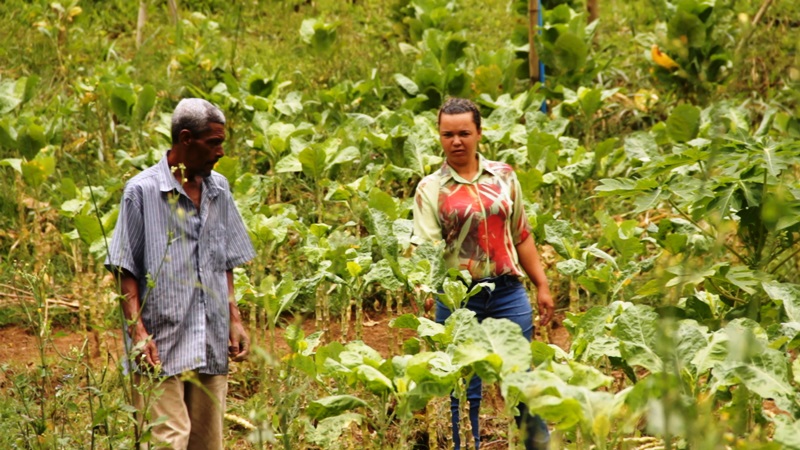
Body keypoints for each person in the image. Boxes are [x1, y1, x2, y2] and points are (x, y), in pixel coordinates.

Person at [105, 98, 256, 450]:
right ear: (185, 139)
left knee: (207, 442)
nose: (220, 152)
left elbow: (225, 260)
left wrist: (234, 317)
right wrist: (138, 333)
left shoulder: (219, 189)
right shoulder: (141, 192)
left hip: (209, 336)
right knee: (167, 440)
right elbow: (124, 270)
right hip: (162, 342)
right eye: (213, 142)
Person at [413, 98, 554, 450]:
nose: (456, 141)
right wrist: (426, 287)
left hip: (508, 292)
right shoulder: (430, 188)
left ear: (479, 133)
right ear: (439, 136)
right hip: (459, 300)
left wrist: (542, 283)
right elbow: (427, 248)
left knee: (521, 380)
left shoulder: (504, 176)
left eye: (464, 133)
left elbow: (521, 233)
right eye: (448, 134)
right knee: (464, 385)